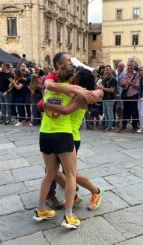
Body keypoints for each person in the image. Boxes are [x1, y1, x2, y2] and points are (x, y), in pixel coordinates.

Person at [39, 68, 104, 211]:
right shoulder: (74, 91)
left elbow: (66, 110)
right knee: (55, 172)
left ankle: (96, 192)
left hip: (71, 137)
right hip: (62, 135)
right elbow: (52, 85)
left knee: (70, 174)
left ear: (80, 80)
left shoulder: (81, 96)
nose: (72, 78)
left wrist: (44, 104)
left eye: (76, 76)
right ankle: (73, 194)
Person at [33, 65, 83, 229]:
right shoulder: (72, 91)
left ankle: (41, 210)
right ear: (71, 78)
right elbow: (91, 95)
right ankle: (68, 216)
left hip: (45, 133)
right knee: (71, 175)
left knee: (50, 173)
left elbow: (48, 86)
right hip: (62, 134)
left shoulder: (48, 91)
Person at [119, 60, 140, 133]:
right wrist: (123, 84)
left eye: (131, 65)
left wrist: (129, 82)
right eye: (129, 65)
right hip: (126, 95)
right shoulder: (124, 74)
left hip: (133, 95)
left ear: (134, 66)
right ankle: (123, 126)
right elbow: (122, 85)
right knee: (125, 111)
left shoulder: (137, 75)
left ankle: (134, 126)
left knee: (134, 111)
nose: (130, 67)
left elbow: (137, 86)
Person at [97, 65, 117, 131]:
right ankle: (106, 125)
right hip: (104, 98)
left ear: (111, 71)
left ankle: (110, 126)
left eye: (108, 70)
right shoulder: (104, 79)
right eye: (105, 70)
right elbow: (101, 87)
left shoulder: (113, 79)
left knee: (110, 113)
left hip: (111, 98)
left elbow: (112, 90)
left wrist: (102, 88)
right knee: (105, 112)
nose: (106, 71)